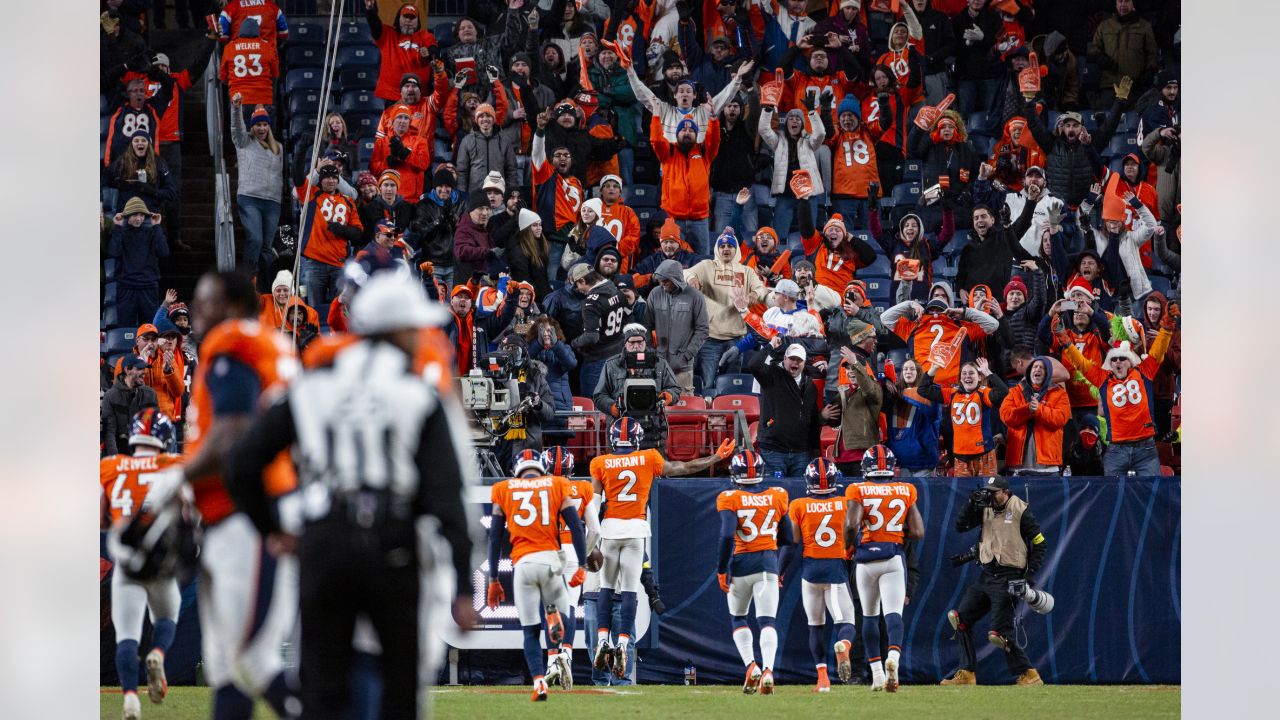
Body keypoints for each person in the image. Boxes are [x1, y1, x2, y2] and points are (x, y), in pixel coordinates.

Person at [222, 272, 478, 718]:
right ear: (395, 330)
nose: (421, 338)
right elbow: (446, 493)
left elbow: (242, 462)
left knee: (322, 688)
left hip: (326, 536)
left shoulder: (313, 385)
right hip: (392, 540)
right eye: (413, 328)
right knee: (401, 688)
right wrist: (462, 584)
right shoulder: (415, 391)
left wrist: (272, 529)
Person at [143, 270, 299, 718]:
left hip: (247, 513)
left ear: (233, 306)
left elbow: (233, 430)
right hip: (247, 508)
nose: (196, 311)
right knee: (228, 663)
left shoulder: (232, 341)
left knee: (250, 660)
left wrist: (181, 476)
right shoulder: (269, 344)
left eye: (206, 301)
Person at [590, 418, 734, 679]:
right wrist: (714, 458)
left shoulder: (600, 463)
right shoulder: (648, 457)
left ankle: (602, 640)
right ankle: (622, 643)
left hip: (610, 529)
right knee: (630, 591)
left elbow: (592, 506)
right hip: (635, 530)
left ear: (612, 439)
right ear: (636, 439)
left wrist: (590, 541)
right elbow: (683, 466)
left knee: (606, 587)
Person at [487, 450, 589, 701]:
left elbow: (495, 537)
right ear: (541, 467)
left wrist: (493, 579)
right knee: (565, 608)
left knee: (530, 631)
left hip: (522, 564)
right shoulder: (556, 483)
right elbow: (576, 527)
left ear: (517, 469)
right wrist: (582, 565)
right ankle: (555, 617)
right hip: (551, 561)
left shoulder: (503, 488)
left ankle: (539, 683)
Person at [102, 409, 184, 720]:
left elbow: (98, 517)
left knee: (126, 634)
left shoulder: (110, 466)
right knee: (167, 615)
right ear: (164, 438)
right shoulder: (175, 465)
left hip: (126, 561)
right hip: (161, 559)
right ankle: (158, 653)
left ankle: (131, 700)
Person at [942, 476, 1047, 687]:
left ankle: (1029, 673)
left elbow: (1040, 544)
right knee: (959, 619)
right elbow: (960, 526)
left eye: (994, 492)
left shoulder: (1020, 509)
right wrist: (971, 504)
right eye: (988, 491)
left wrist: (1027, 577)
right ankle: (967, 673)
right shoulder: (984, 508)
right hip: (987, 575)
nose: (990, 495)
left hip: (1010, 577)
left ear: (1006, 492)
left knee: (999, 634)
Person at [1056, 307, 1177, 475]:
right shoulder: (1103, 378)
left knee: (1150, 493)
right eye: (1114, 359)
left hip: (1145, 448)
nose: (1118, 362)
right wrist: (1064, 340)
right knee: (1113, 495)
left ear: (1131, 361)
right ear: (1109, 363)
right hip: (1116, 448)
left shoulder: (1144, 372)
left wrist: (1167, 323)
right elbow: (1081, 363)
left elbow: (1158, 350)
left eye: (1122, 358)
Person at [844, 445, 924, 692]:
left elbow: (851, 525)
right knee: (893, 615)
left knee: (868, 617)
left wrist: (848, 547)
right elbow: (919, 532)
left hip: (867, 559)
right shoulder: (906, 489)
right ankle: (894, 661)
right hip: (892, 557)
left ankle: (877, 675)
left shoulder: (858, 489)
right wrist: (896, 531)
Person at [716, 449, 791, 695]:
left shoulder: (729, 497)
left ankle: (751, 665)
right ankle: (768, 669)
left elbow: (727, 535)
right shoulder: (778, 495)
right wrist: (777, 565)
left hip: (740, 565)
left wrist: (721, 568)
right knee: (767, 620)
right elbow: (788, 538)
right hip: (768, 562)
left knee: (738, 617)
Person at [782, 458, 857, 692]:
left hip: (810, 571)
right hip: (835, 569)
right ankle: (843, 646)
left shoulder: (799, 505)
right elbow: (855, 531)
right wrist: (850, 548)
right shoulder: (845, 503)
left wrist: (780, 570)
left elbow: (792, 543)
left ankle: (822, 679)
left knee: (815, 625)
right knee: (847, 623)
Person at [538, 446, 598, 690]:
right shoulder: (582, 488)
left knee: (550, 608)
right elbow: (594, 529)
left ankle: (552, 660)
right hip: (573, 552)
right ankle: (567, 656)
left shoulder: (537, 488)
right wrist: (584, 552)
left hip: (547, 551)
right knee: (570, 606)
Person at [685, 230, 768, 395]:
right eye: (722, 246)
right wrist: (692, 279)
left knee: (732, 386)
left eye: (730, 245)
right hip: (709, 339)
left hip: (735, 339)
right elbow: (685, 272)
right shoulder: (707, 266)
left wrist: (753, 295)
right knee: (708, 384)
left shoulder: (746, 271)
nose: (726, 249)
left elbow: (761, 289)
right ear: (717, 249)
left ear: (736, 249)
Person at [748, 337, 832, 477]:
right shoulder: (772, 374)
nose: (795, 362)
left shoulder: (810, 386)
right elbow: (753, 365)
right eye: (792, 359)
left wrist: (816, 448)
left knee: (798, 494)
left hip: (801, 453)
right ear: (785, 359)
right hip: (773, 451)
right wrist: (770, 345)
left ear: (804, 363)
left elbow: (811, 420)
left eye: (799, 360)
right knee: (775, 494)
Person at [592, 324, 682, 449]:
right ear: (625, 343)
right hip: (621, 427)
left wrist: (669, 395)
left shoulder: (659, 363)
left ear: (646, 342)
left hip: (652, 426)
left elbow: (675, 388)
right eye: (632, 342)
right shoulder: (611, 365)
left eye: (640, 342)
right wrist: (611, 407)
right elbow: (599, 395)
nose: (636, 346)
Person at [919, 358, 1009, 476]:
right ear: (960, 378)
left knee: (988, 490)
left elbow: (1004, 391)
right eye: (964, 373)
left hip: (984, 453)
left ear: (980, 377)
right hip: (960, 455)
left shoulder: (984, 393)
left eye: (972, 373)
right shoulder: (951, 393)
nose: (967, 376)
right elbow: (923, 390)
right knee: (965, 493)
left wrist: (987, 372)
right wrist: (934, 368)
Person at [229, 98, 283, 284]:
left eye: (265, 124)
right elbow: (236, 128)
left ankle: (265, 284)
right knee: (255, 240)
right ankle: (247, 281)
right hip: (249, 198)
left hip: (273, 201)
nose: (262, 128)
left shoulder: (279, 148)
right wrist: (236, 108)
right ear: (252, 126)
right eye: (258, 125)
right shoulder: (244, 142)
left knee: (267, 247)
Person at [299, 165, 363, 321]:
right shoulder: (311, 196)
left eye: (335, 177)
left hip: (339, 263)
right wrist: (303, 147)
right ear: (320, 180)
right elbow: (297, 176)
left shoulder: (348, 202)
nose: (331, 180)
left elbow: (358, 234)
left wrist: (342, 230)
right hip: (314, 262)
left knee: (341, 311)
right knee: (313, 311)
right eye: (327, 177)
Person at [760, 96, 827, 244]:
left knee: (810, 236)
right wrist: (768, 109)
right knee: (779, 236)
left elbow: (821, 133)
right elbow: (763, 129)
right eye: (791, 118)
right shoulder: (778, 140)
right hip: (785, 194)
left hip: (808, 194)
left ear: (802, 124)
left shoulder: (809, 141)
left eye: (798, 119)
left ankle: (810, 263)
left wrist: (811, 112)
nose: (795, 121)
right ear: (786, 122)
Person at [651, 114, 720, 255]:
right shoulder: (668, 153)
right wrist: (656, 117)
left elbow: (714, 140)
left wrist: (713, 120)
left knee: (703, 261)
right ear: (677, 134)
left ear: (696, 135)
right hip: (673, 218)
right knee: (672, 259)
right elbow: (656, 140)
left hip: (700, 219)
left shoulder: (704, 152)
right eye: (683, 130)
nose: (687, 133)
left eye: (691, 130)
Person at [645, 260, 709, 395]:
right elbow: (647, 326)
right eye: (660, 281)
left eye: (666, 281)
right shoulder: (654, 294)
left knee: (683, 410)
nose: (662, 284)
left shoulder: (695, 296)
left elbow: (702, 330)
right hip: (658, 365)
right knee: (657, 408)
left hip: (683, 367)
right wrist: (651, 352)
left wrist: (686, 356)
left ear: (676, 279)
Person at [1000, 355, 1072, 475]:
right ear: (1029, 371)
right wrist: (1027, 410)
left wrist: (1039, 409)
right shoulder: (1015, 392)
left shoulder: (1060, 393)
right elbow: (1005, 416)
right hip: (1018, 467)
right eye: (1035, 366)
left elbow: (1061, 419)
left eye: (1042, 368)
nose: (1037, 369)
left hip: (1048, 467)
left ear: (1048, 373)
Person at [828, 322, 883, 475]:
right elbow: (851, 397)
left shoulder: (861, 359)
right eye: (873, 337)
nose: (876, 341)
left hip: (858, 442)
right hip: (856, 445)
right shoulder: (854, 361)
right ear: (862, 339)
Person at [109, 197, 170, 329]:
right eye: (135, 215)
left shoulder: (152, 232)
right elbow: (113, 252)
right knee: (125, 330)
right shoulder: (121, 232)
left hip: (148, 287)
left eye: (142, 215)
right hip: (126, 287)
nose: (139, 218)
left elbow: (164, 252)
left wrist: (157, 226)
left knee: (149, 330)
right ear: (127, 216)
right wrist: (118, 228)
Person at [365, 0, 437, 103]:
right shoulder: (388, 34)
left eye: (412, 18)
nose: (408, 20)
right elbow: (374, 23)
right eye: (405, 17)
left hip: (420, 97)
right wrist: (370, 9)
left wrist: (429, 51)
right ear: (399, 18)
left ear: (418, 21)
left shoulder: (425, 35)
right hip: (393, 97)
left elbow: (434, 49)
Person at [1087, 0, 1158, 105]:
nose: (1123, 5)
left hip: (1135, 87)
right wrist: (1099, 57)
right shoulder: (1104, 26)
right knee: (1109, 119)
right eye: (1120, 1)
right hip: (1110, 86)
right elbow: (1092, 48)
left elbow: (1152, 53)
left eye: (1127, 1)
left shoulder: (1145, 27)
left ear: (1133, 3)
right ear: (1115, 4)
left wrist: (1150, 71)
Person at [882, 358, 943, 476]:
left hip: (923, 461)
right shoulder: (894, 395)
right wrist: (885, 381)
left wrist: (908, 392)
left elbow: (934, 414)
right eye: (905, 369)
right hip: (900, 461)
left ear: (919, 373)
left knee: (924, 495)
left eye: (912, 369)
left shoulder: (929, 394)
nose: (908, 371)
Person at [572, 268, 627, 397]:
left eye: (577, 284)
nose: (577, 289)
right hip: (618, 353)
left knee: (593, 401)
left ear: (583, 280)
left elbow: (592, 337)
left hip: (598, 358)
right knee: (615, 399)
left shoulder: (591, 302)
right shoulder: (616, 291)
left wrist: (574, 343)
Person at [408, 168, 463, 291]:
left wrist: (453, 218)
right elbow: (420, 233)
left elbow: (463, 233)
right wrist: (439, 221)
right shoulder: (424, 205)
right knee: (434, 303)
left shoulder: (459, 204)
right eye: (440, 186)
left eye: (447, 186)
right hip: (432, 263)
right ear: (435, 187)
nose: (444, 190)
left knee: (451, 305)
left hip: (453, 264)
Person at [371, 105, 433, 206]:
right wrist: (388, 164)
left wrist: (406, 154)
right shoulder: (381, 143)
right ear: (392, 120)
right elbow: (373, 169)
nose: (402, 121)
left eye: (406, 118)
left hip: (412, 200)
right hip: (387, 199)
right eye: (399, 117)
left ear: (410, 121)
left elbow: (424, 164)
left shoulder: (420, 141)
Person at [105, 131, 177, 218]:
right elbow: (105, 180)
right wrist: (120, 184)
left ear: (148, 144)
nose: (140, 143)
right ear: (131, 144)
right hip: (126, 217)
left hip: (150, 216)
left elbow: (171, 193)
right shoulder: (122, 161)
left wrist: (151, 190)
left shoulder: (159, 162)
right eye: (136, 141)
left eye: (143, 140)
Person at [219, 18, 279, 118]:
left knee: (238, 133)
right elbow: (275, 75)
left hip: (239, 101)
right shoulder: (267, 47)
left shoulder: (229, 48)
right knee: (264, 132)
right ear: (257, 31)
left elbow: (223, 78)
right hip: (263, 101)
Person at [457, 102, 520, 195]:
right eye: (481, 117)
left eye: (488, 116)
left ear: (493, 119)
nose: (485, 119)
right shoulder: (467, 141)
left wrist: (510, 193)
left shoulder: (504, 140)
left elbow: (511, 170)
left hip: (498, 193)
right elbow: (462, 171)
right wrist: (462, 195)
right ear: (476, 120)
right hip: (475, 194)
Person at [101, 356, 159, 457]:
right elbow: (110, 433)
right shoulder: (110, 396)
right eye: (139, 369)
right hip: (120, 455)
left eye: (144, 368)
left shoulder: (150, 394)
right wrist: (115, 460)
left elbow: (155, 429)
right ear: (127, 370)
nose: (144, 372)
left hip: (144, 455)